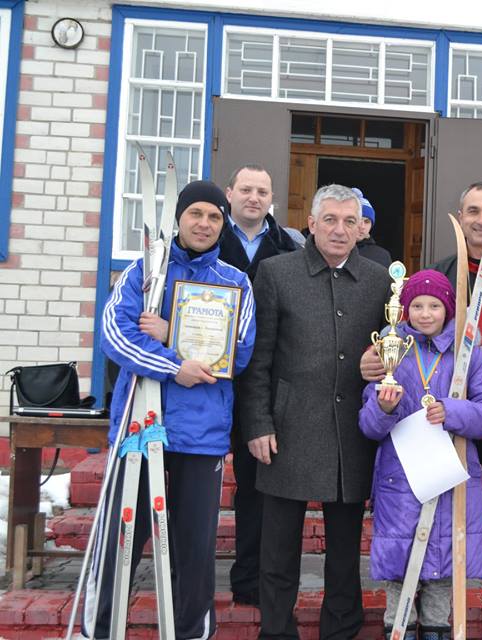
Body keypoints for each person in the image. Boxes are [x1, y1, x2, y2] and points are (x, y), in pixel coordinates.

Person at [364, 181, 482, 640]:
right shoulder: (441, 273)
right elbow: (409, 336)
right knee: (444, 532)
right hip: (450, 437)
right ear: (461, 214)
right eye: (473, 210)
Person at [86, 180, 256, 638]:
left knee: (194, 547)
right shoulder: (145, 273)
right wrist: (173, 366)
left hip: (201, 432)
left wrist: (171, 333)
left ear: (224, 225)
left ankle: (191, 631)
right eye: (196, 214)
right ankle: (100, 627)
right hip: (142, 422)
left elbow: (237, 353)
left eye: (215, 217)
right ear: (180, 219)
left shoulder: (234, 283)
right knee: (120, 540)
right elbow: (116, 336)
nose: (204, 224)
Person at [238, 184, 393, 639]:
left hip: (351, 434)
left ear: (360, 226)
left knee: (344, 551)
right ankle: (277, 630)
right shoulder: (275, 273)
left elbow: (395, 351)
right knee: (279, 547)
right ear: (311, 222)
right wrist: (258, 422)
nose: (340, 230)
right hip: (288, 428)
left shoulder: (380, 279)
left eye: (349, 221)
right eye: (330, 220)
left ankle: (340, 629)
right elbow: (257, 360)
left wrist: (382, 361)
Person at [358, 269, 482, 640]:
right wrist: (385, 408)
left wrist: (453, 412)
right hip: (400, 482)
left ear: (448, 309)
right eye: (417, 305)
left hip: (449, 480)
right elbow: (369, 427)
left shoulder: (466, 353)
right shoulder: (390, 350)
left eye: (434, 305)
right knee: (399, 578)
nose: (425, 313)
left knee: (441, 580)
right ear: (404, 310)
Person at [220, 164, 300, 607]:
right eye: (246, 189)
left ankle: (249, 578)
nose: (254, 197)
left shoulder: (286, 245)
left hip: (265, 385)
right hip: (207, 383)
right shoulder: (211, 236)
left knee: (255, 486)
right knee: (193, 483)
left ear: (272, 199)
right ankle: (179, 575)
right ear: (230, 193)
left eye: (262, 191)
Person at [352, 188, 392, 268]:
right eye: (358, 219)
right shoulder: (334, 250)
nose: (362, 226)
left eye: (367, 221)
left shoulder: (382, 256)